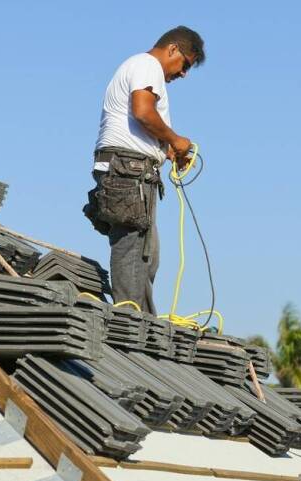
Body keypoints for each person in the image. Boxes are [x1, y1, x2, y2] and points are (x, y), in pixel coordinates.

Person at [83, 26, 205, 314]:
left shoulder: (141, 67)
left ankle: (143, 322)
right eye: (185, 64)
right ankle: (130, 323)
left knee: (147, 256)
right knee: (133, 253)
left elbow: (140, 123)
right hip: (129, 171)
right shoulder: (147, 65)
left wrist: (167, 149)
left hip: (132, 169)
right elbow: (142, 111)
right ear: (173, 49)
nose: (183, 73)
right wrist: (175, 139)